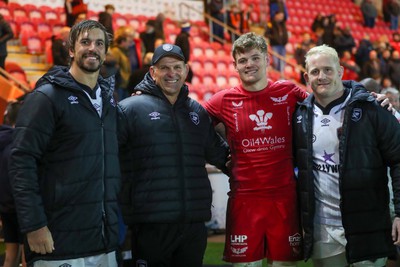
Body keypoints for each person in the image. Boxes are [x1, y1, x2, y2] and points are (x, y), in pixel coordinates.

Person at [9, 20, 121, 266]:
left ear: (105, 52)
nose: (92, 48)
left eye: (99, 43)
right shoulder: (46, 97)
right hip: (58, 240)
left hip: (104, 240)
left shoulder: (110, 101)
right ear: (71, 49)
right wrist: (34, 225)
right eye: (85, 42)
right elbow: (21, 162)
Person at [118, 43, 230, 267]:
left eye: (177, 67)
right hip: (150, 224)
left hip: (193, 224)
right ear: (153, 72)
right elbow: (109, 161)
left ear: (186, 70)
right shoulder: (128, 109)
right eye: (164, 67)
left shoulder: (196, 111)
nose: (172, 74)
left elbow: (221, 155)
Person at [204, 32, 307, 267]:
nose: (249, 64)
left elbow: (326, 103)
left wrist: (363, 94)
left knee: (283, 265)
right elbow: (192, 123)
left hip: (284, 198)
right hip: (245, 200)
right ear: (235, 66)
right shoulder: (224, 100)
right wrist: (222, 157)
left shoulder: (290, 92)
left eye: (255, 58)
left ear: (267, 60)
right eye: (242, 60)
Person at [293, 44, 400, 267]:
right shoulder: (299, 115)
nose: (321, 77)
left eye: (328, 70)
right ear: (306, 76)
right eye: (315, 72)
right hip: (323, 229)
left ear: (340, 71)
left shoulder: (374, 108)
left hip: (366, 225)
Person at [0, 101, 26, 267]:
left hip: (4, 206)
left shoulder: (3, 141)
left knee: (10, 258)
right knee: (27, 258)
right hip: (22, 207)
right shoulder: (20, 143)